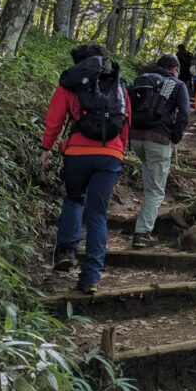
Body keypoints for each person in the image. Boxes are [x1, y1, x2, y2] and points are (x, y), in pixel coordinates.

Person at [41, 44, 130, 294]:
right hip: (110, 154)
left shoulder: (70, 83)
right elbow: (126, 121)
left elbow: (55, 119)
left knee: (73, 199)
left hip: (77, 152)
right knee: (97, 213)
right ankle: (91, 276)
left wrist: (46, 147)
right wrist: (120, 149)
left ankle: (67, 251)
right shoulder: (117, 83)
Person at [128, 54, 190, 248]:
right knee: (156, 190)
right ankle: (142, 233)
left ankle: (145, 218)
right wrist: (175, 137)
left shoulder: (140, 80)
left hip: (135, 137)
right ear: (174, 68)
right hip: (158, 138)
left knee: (151, 179)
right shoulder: (174, 83)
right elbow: (184, 113)